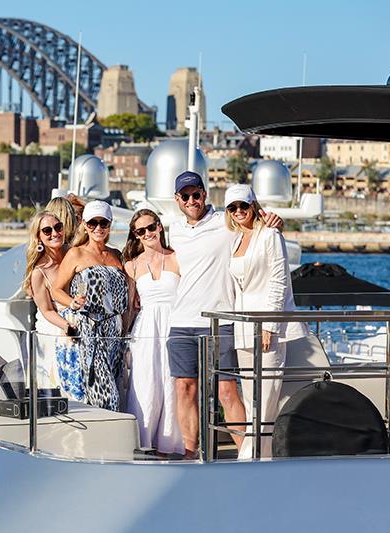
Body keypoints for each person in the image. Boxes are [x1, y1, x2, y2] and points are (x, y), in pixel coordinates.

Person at [166, 170, 283, 459]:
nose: (191, 200)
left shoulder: (225, 221)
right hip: (181, 321)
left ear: (205, 195)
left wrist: (278, 222)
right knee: (185, 389)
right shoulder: (174, 229)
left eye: (196, 194)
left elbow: (260, 230)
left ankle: (247, 454)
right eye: (185, 196)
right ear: (177, 200)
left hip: (221, 320)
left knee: (227, 392)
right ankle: (190, 452)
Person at [224, 184, 307, 459]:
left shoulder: (270, 235)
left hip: (268, 329)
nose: (238, 212)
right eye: (232, 207)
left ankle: (248, 459)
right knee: (250, 398)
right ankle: (263, 457)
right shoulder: (235, 239)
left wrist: (271, 324)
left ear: (254, 206)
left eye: (243, 206)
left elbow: (280, 281)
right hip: (243, 329)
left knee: (266, 400)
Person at [52, 200, 130, 411]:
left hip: (115, 331)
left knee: (113, 384)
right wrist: (73, 302)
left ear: (110, 225)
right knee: (105, 393)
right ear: (85, 225)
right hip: (90, 329)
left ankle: (105, 435)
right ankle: (106, 436)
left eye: (103, 223)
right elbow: (56, 290)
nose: (98, 228)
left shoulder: (116, 255)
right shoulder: (76, 253)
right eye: (92, 223)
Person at [122, 209, 184, 454]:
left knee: (172, 382)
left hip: (174, 323)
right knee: (146, 383)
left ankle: (171, 443)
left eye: (150, 227)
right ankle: (143, 441)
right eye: (140, 231)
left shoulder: (178, 258)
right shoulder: (131, 266)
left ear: (159, 227)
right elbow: (129, 306)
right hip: (146, 328)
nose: (147, 233)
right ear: (136, 235)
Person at [22, 210, 81, 396]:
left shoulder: (74, 253)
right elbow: (47, 310)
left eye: (58, 227)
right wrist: (67, 327)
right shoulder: (39, 272)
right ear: (39, 237)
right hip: (62, 331)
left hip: (88, 323)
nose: (54, 233)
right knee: (67, 388)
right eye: (47, 231)